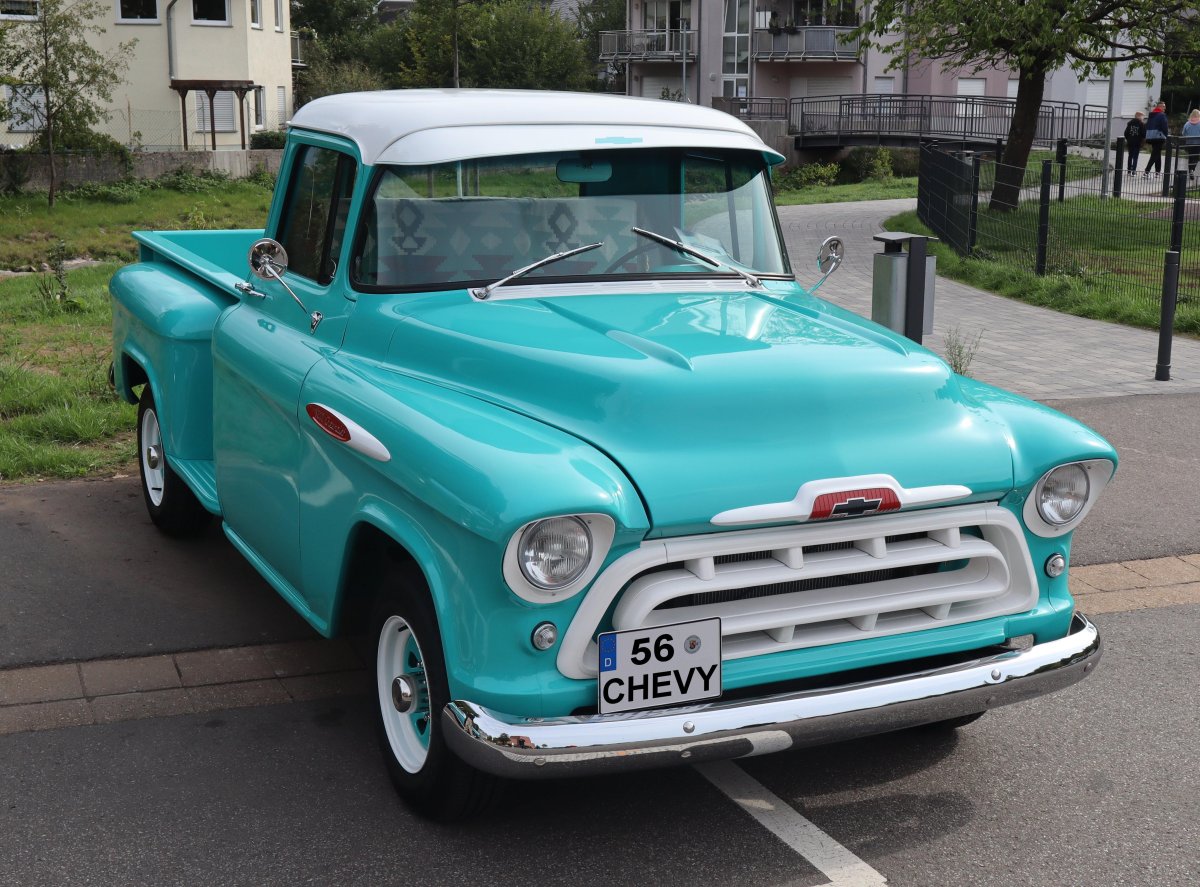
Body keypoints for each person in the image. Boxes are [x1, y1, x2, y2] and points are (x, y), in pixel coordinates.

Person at [1144, 103, 1169, 176]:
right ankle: (1146, 171)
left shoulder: (1151, 115)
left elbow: (1147, 125)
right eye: (1164, 107)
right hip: (1159, 137)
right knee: (1155, 154)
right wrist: (1166, 135)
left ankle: (1157, 172)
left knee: (1157, 153)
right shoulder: (1162, 115)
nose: (1165, 108)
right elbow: (1164, 126)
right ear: (1159, 107)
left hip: (1151, 136)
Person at [1182, 109, 1200, 181]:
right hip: (1198, 143)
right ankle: (1192, 169)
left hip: (1189, 143)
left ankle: (1190, 170)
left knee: (1191, 157)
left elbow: (1183, 133)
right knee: (1196, 157)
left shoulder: (1187, 123)